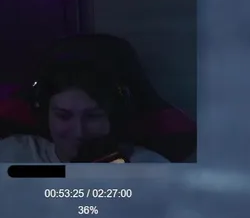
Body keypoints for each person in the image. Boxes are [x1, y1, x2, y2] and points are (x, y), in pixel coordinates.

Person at [0, 59, 167, 163]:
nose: (79, 132)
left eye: (93, 116)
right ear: (45, 116)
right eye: (63, 116)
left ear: (113, 117)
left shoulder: (149, 168)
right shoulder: (11, 153)